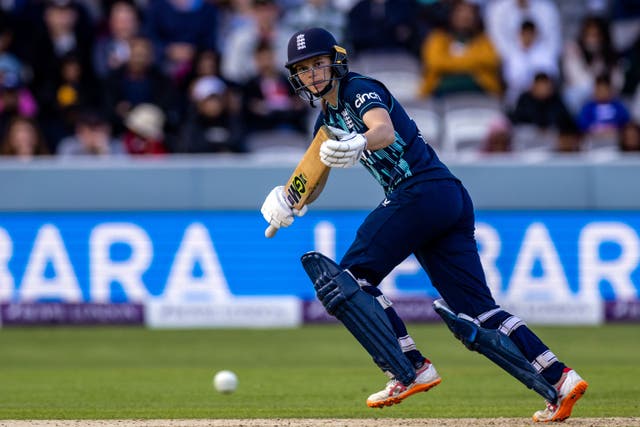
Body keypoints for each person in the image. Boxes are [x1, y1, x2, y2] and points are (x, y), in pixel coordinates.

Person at [260, 27, 589, 422]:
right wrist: (288, 199)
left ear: (335, 60)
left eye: (317, 63)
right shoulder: (325, 122)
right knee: (478, 312)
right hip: (446, 198)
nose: (313, 74)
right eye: (303, 68)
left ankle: (411, 366)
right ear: (296, 77)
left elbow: (382, 129)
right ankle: (560, 379)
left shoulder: (358, 88)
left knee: (351, 280)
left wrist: (361, 141)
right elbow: (313, 176)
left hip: (419, 190)